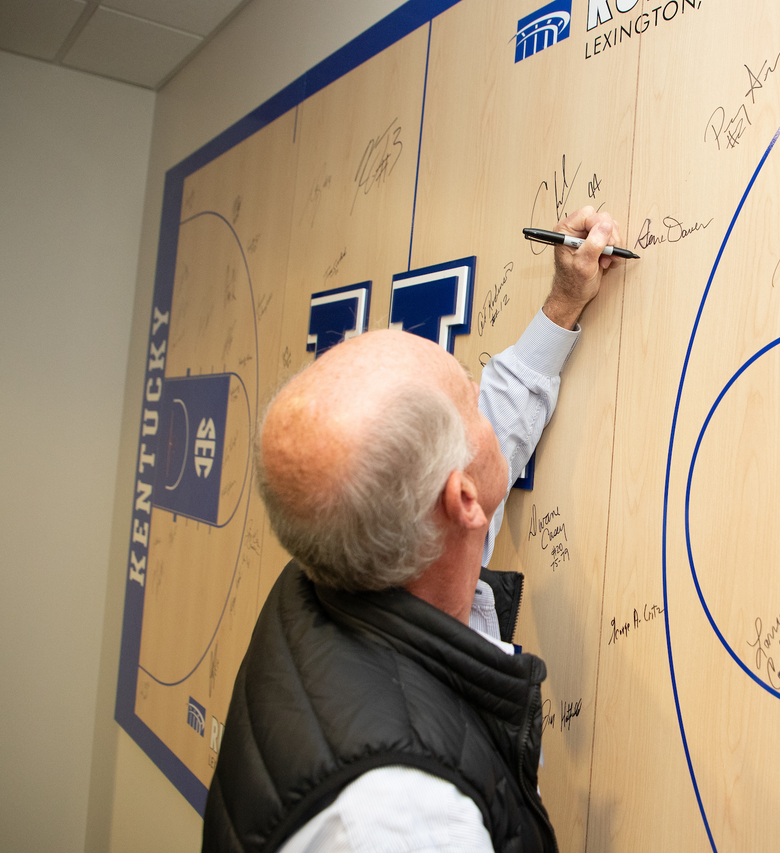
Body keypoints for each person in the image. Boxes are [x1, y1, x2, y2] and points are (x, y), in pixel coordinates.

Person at [202, 206, 623, 853]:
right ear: (459, 499)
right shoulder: (408, 818)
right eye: (472, 399)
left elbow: (464, 466)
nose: (486, 398)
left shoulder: (351, 555)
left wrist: (563, 304)